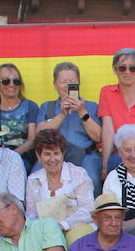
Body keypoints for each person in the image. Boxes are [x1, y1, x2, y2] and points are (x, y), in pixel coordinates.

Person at [35, 62, 103, 195]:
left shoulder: (91, 106)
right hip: (53, 156)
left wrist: (82, 113)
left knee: (93, 180)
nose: (67, 86)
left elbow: (98, 136)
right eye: (63, 81)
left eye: (71, 81)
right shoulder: (47, 106)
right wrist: (61, 115)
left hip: (85, 155)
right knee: (35, 178)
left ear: (79, 83)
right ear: (55, 84)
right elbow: (39, 133)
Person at [25, 127, 95, 246]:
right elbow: (31, 215)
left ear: (63, 154)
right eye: (47, 154)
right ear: (38, 155)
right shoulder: (33, 180)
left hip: (77, 230)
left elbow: (88, 210)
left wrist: (63, 225)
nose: (52, 159)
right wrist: (47, 230)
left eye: (56, 153)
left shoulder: (79, 174)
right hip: (46, 234)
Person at [0, 63, 39, 170]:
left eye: (16, 81)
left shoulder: (30, 106)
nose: (11, 85)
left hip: (22, 159)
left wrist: (12, 156)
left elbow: (32, 140)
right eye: (6, 81)